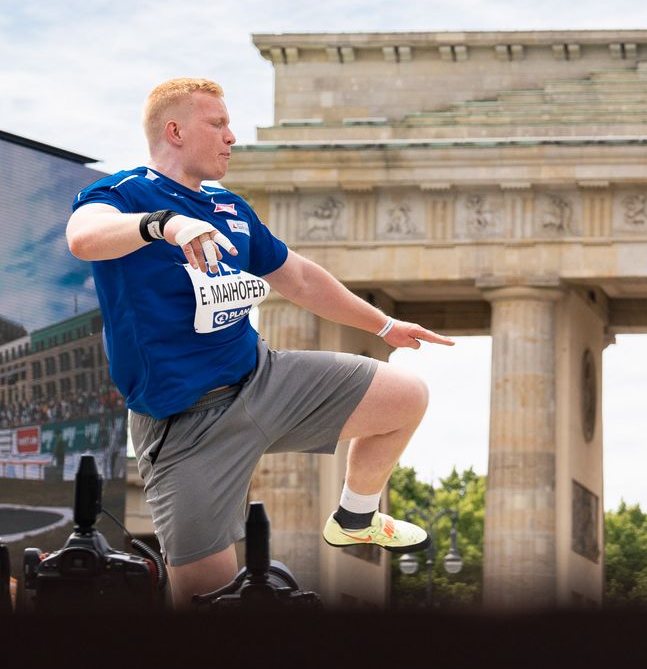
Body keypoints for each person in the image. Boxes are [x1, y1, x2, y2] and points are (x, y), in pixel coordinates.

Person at [66, 77, 453, 605]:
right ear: (175, 130)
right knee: (211, 601)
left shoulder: (231, 207)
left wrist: (384, 327)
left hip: (263, 378)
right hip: (185, 423)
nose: (232, 137)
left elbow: (299, 278)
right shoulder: (123, 193)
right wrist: (166, 226)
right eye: (218, 124)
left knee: (406, 397)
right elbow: (82, 237)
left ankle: (355, 518)